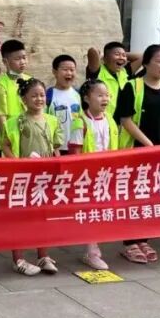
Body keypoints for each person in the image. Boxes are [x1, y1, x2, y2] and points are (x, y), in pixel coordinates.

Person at [114, 44, 160, 265]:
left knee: (150, 197)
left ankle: (143, 239)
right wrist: (148, 144)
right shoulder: (132, 86)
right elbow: (125, 119)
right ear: (146, 63)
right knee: (133, 197)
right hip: (136, 152)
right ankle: (130, 242)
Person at [2, 78, 62, 276]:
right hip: (22, 176)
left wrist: (57, 168)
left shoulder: (52, 120)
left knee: (43, 216)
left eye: (42, 95)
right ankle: (18, 258)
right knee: (20, 216)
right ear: (24, 99)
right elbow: (6, 145)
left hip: (44, 177)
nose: (39, 99)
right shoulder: (15, 122)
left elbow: (55, 148)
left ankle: (43, 255)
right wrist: (17, 163)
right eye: (34, 96)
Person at [68, 79, 116, 270]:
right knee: (92, 213)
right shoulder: (80, 122)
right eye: (99, 95)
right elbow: (75, 152)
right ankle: (92, 252)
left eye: (107, 95)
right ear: (87, 98)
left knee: (101, 212)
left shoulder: (109, 119)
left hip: (107, 174)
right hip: (88, 176)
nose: (105, 99)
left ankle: (94, 247)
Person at [0, 39, 31, 156]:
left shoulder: (30, 81)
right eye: (17, 59)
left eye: (24, 57)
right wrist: (9, 141)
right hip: (11, 141)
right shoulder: (0, 86)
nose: (22, 62)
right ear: (5, 61)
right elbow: (1, 118)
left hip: (29, 136)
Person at [85, 41, 138, 116]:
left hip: (122, 120)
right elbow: (92, 51)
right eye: (117, 54)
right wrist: (103, 56)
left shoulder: (124, 71)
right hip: (102, 120)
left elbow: (143, 57)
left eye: (124, 55)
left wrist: (122, 55)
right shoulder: (97, 70)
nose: (121, 57)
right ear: (105, 58)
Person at [46, 54, 81, 155]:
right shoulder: (48, 95)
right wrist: (53, 147)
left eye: (72, 70)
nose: (69, 73)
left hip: (75, 148)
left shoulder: (77, 95)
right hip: (56, 149)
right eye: (65, 69)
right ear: (54, 72)